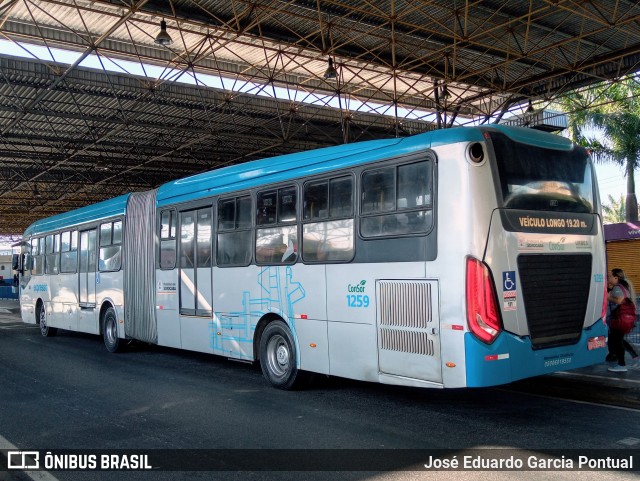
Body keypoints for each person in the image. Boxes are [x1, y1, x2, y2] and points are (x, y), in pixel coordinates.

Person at [607, 268, 639, 373]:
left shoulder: (617, 287)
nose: (609, 278)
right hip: (624, 319)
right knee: (618, 340)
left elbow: (619, 300)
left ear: (616, 277)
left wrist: (607, 297)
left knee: (617, 342)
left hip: (619, 319)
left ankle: (622, 364)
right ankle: (635, 357)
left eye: (610, 276)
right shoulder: (623, 287)